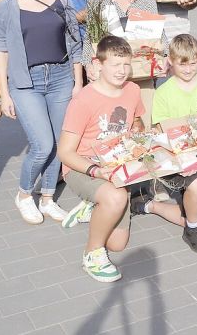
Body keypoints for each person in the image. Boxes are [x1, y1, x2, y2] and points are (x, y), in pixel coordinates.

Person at [0, 0, 83, 225]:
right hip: (26, 82)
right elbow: (1, 49)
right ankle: (23, 194)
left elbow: (75, 44)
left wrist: (77, 82)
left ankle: (47, 199)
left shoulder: (62, 1)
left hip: (60, 78)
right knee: (42, 144)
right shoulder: (7, 6)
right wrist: (2, 94)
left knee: (60, 143)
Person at [58, 36, 145, 282]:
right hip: (83, 167)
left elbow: (138, 123)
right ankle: (92, 254)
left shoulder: (133, 90)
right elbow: (64, 153)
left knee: (117, 244)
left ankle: (94, 205)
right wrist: (98, 172)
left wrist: (141, 137)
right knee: (115, 196)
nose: (122, 71)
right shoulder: (83, 101)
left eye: (126, 64)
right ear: (98, 65)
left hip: (117, 165)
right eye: (115, 65)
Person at [145, 34, 197, 253]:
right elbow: (162, 130)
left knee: (195, 189)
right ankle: (193, 228)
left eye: (193, 63)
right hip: (174, 152)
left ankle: (148, 205)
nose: (189, 69)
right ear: (170, 61)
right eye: (182, 64)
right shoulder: (163, 92)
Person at [84, 0, 167, 118]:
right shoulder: (97, 0)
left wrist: (164, 57)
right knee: (115, 124)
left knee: (144, 123)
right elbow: (90, 39)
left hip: (141, 73)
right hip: (110, 77)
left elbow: (160, 35)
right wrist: (88, 65)